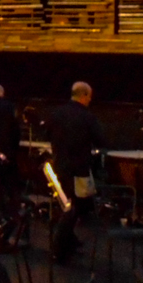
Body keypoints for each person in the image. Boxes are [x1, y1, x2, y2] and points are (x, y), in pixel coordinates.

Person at [48, 81, 106, 264]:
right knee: (75, 209)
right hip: (78, 168)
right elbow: (100, 140)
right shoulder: (87, 117)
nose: (90, 100)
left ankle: (69, 242)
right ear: (83, 95)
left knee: (66, 205)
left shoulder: (57, 113)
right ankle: (59, 249)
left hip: (59, 167)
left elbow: (47, 134)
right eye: (89, 96)